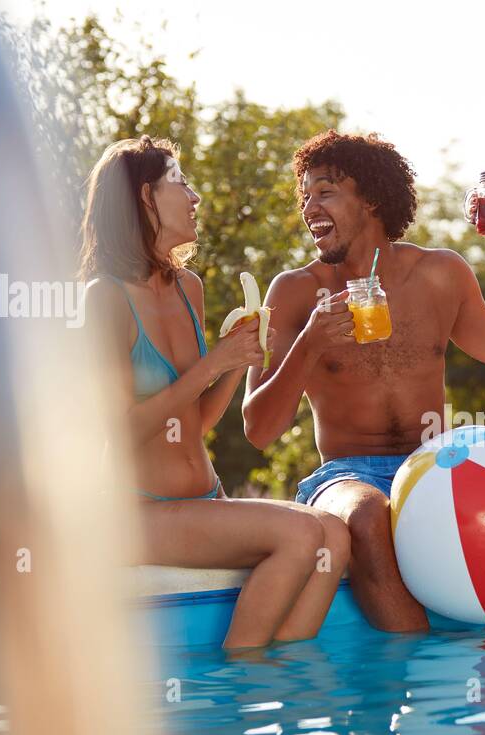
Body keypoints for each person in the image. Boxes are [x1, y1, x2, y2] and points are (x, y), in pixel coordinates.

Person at [242, 130, 485, 632]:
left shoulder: (440, 275)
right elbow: (258, 428)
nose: (308, 207)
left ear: (372, 199)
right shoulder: (295, 292)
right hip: (346, 476)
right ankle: (415, 677)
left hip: (438, 463)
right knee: (367, 516)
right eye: (305, 195)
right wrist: (311, 344)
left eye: (324, 191)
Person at [79, 135, 349, 648]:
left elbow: (196, 423)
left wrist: (235, 361)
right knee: (299, 536)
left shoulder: (189, 288)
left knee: (334, 534)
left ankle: (281, 675)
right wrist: (213, 364)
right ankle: (245, 678)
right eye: (181, 183)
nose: (195, 197)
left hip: (204, 497)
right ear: (144, 197)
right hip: (138, 513)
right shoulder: (106, 300)